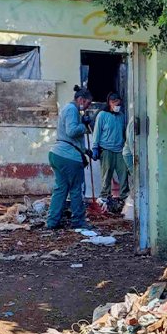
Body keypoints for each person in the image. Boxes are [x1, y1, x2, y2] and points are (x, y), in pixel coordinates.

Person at [46, 87, 94, 230]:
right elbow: (72, 131)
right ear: (81, 99)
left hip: (58, 154)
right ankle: (78, 221)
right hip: (69, 157)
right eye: (88, 104)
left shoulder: (68, 109)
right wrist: (84, 125)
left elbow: (70, 138)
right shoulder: (72, 110)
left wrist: (86, 151)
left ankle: (52, 221)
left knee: (60, 189)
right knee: (75, 189)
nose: (88, 107)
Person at [92, 92, 134, 206]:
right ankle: (104, 196)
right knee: (106, 175)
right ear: (109, 103)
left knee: (123, 174)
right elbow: (97, 132)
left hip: (120, 149)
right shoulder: (102, 115)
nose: (117, 105)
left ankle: (124, 196)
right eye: (115, 103)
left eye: (118, 103)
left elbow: (124, 132)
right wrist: (95, 147)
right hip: (106, 150)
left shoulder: (121, 116)